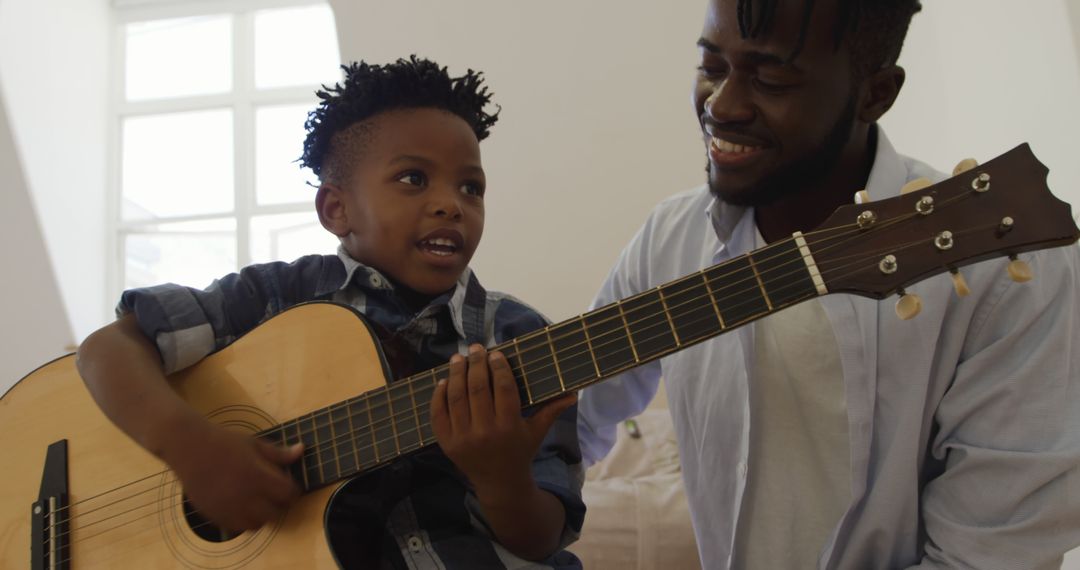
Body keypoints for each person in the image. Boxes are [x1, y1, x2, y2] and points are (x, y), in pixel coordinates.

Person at [576, 0, 1080, 568]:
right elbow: (573, 422)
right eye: (712, 68)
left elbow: (993, 556)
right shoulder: (669, 237)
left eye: (770, 78)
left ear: (876, 93)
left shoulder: (1006, 271)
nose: (723, 105)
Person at [76, 56, 584, 569]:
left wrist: (503, 477)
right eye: (413, 178)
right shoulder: (273, 296)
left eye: (470, 188)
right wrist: (191, 448)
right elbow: (108, 350)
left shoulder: (518, 337)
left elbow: (540, 539)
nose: (451, 204)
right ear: (335, 210)